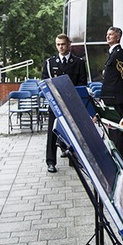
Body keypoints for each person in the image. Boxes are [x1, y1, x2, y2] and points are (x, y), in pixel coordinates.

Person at [42, 33, 88, 173]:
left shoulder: (78, 62)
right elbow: (44, 81)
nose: (61, 47)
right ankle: (51, 162)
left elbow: (82, 82)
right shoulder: (50, 63)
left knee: (74, 132)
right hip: (55, 104)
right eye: (58, 44)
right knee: (52, 133)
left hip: (71, 103)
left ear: (69, 45)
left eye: (63, 44)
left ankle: (73, 159)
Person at [100, 26, 123, 155]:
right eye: (107, 34)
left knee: (117, 127)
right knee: (112, 128)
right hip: (111, 97)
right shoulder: (113, 52)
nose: (107, 36)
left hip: (116, 97)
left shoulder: (118, 53)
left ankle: (120, 155)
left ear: (118, 37)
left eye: (111, 34)